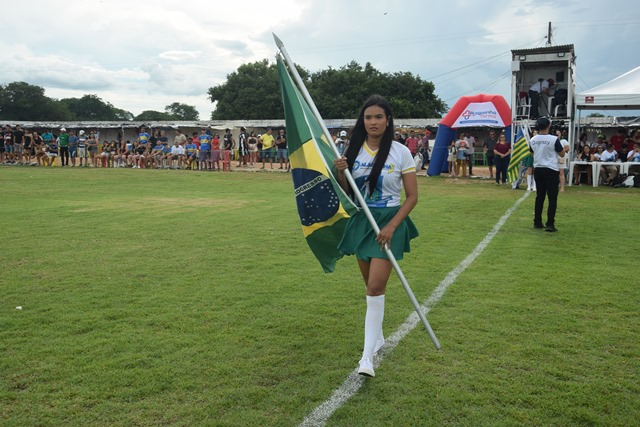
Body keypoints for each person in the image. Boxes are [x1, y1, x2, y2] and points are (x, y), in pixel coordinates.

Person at [333, 95, 418, 378]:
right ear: (363, 121)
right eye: (368, 117)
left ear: (388, 120)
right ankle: (378, 338)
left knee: (375, 287)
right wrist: (341, 173)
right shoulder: (353, 150)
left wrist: (392, 226)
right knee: (371, 287)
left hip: (389, 223)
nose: (373, 122)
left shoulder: (400, 152)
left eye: (378, 117)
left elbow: (412, 197)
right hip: (363, 222)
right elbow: (348, 192)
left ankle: (366, 358)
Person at [529, 117, 565, 232]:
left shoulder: (533, 139)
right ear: (548, 125)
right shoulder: (554, 139)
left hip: (538, 168)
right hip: (551, 169)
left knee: (540, 196)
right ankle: (550, 224)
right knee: (552, 198)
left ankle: (537, 221)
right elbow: (562, 154)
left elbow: (532, 152)